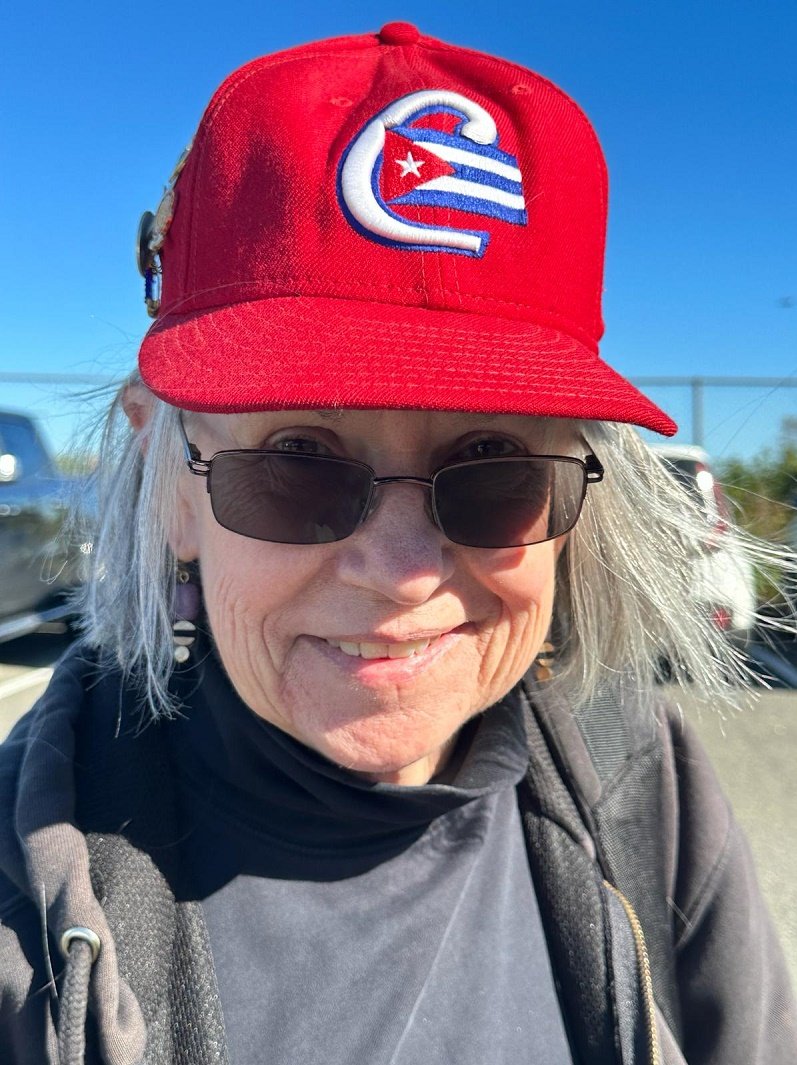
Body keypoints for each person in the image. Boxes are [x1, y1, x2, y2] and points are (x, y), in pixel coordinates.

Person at [0, 22, 794, 1065]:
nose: (403, 570)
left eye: (494, 468)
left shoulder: (640, 782)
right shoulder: (29, 898)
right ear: (171, 494)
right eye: (296, 460)